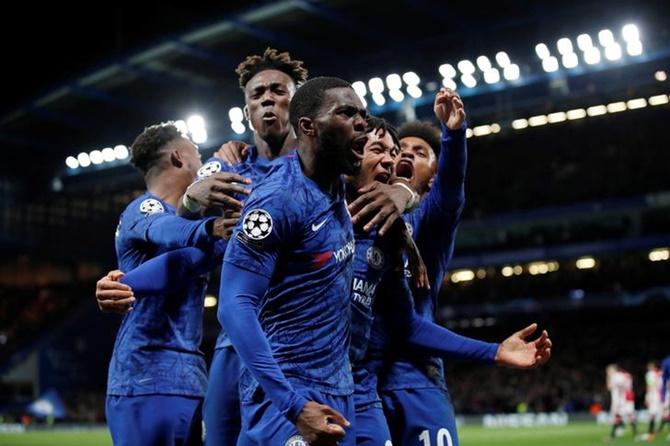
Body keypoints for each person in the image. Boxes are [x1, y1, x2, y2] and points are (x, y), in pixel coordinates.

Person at [105, 123, 230, 446]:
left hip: (190, 376)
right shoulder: (143, 209)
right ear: (178, 157)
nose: (201, 160)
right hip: (145, 375)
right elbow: (166, 231)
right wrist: (213, 227)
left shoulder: (196, 227)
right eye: (197, 153)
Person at [606, 364, 637, 440]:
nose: (608, 372)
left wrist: (608, 377)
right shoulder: (625, 375)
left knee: (619, 416)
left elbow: (610, 387)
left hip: (620, 400)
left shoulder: (615, 376)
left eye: (609, 370)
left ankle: (613, 435)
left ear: (614, 370)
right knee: (626, 416)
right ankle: (634, 434)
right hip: (627, 398)